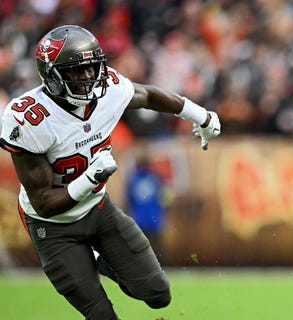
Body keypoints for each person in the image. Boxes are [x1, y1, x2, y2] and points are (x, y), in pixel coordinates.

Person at [0, 25, 220, 320]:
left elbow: (148, 95)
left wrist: (200, 115)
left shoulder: (109, 90)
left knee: (158, 294)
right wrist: (90, 178)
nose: (89, 78)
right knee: (101, 314)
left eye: (92, 69)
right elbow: (42, 202)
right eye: (77, 72)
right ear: (51, 76)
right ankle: (84, 258)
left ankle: (99, 259)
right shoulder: (28, 119)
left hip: (98, 209)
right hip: (53, 227)